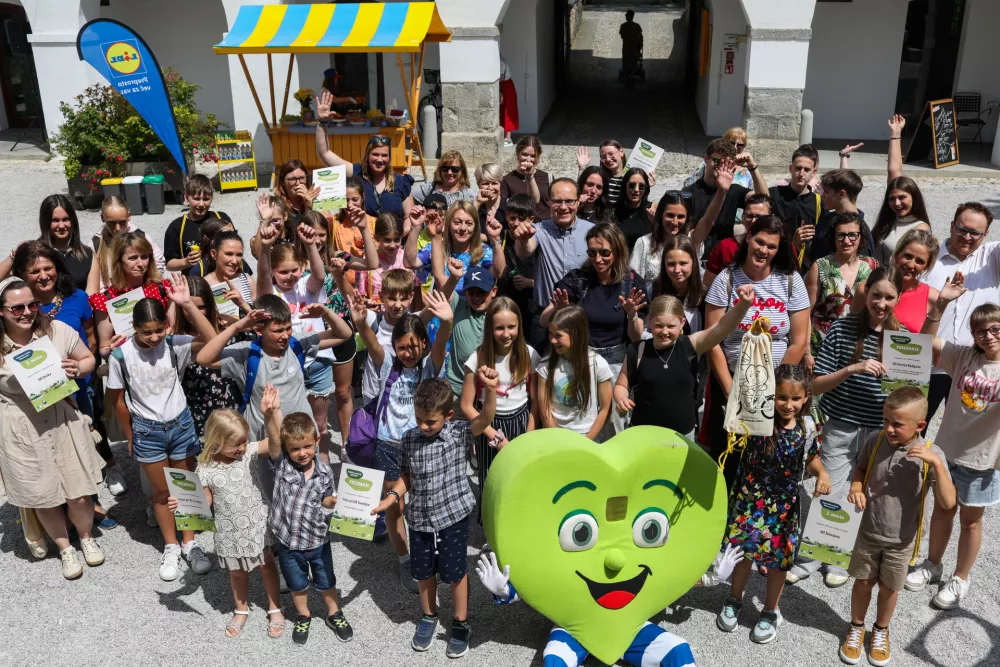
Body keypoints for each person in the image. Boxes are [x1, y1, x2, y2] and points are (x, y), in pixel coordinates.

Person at [790, 266, 906, 588]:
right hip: (841, 424)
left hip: (879, 431)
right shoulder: (842, 329)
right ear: (866, 293)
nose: (881, 303)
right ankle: (811, 556)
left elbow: (908, 396)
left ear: (898, 299)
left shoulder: (903, 339)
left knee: (862, 493)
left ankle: (838, 555)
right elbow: (816, 384)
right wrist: (853, 368)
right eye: (876, 295)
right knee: (829, 486)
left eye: (889, 297)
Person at [372, 373, 498, 657]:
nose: (424, 426)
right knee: (424, 572)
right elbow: (406, 475)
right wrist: (392, 496)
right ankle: (429, 615)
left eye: (430, 421)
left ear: (448, 415)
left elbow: (485, 418)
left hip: (452, 518)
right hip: (419, 519)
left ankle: (461, 622)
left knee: (455, 572)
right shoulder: (409, 438)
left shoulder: (458, 433)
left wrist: (489, 392)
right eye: (419, 419)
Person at [107, 278, 217, 580]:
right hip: (147, 430)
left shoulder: (174, 344)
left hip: (180, 424)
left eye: (160, 329)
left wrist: (186, 306)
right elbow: (117, 402)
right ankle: (171, 546)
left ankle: (190, 543)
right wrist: (130, 436)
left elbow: (211, 339)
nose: (155, 337)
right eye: (147, 331)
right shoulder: (121, 355)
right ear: (134, 327)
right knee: (160, 493)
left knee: (185, 485)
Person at [839, 387, 955, 667]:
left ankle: (881, 630)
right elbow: (861, 469)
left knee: (890, 588)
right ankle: (856, 626)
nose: (889, 429)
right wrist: (856, 486)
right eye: (886, 420)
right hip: (868, 531)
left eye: (898, 424)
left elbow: (949, 502)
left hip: (902, 539)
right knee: (863, 582)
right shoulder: (875, 440)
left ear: (920, 426)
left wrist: (937, 466)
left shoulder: (931, 454)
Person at [717, 365, 831, 644]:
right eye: (781, 397)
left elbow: (811, 458)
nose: (788, 405)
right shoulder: (757, 419)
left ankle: (770, 610)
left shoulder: (806, 427)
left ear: (806, 398)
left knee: (778, 563)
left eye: (795, 398)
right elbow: (740, 400)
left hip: (782, 507)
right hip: (749, 500)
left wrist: (823, 473)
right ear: (771, 395)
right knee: (742, 553)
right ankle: (734, 599)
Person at [349, 290, 452, 593]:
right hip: (388, 446)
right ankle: (405, 558)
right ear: (393, 346)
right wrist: (359, 322)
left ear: (423, 343)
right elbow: (368, 340)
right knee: (395, 508)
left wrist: (445, 322)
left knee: (425, 506)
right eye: (401, 347)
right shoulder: (385, 364)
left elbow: (442, 344)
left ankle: (429, 553)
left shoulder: (430, 367)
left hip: (422, 449)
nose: (408, 352)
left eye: (413, 346)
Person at [0, 277, 104, 580]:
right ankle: (64, 548)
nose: (27, 312)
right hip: (20, 425)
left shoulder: (57, 330)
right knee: (42, 493)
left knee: (80, 491)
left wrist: (77, 368)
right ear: (2, 311)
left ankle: (85, 537)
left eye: (32, 304)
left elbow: (88, 359)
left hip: (62, 417)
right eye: (16, 308)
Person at [9, 242, 127, 506]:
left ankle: (93, 502)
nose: (43, 275)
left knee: (86, 435)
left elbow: (91, 339)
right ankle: (59, 505)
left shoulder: (77, 298)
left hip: (79, 383)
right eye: (34, 270)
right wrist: (11, 257)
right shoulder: (19, 306)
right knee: (50, 447)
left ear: (57, 268)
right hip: (35, 396)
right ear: (22, 275)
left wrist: (83, 369)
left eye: (47, 268)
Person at [702, 216, 810, 486]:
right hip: (731, 381)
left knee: (768, 462)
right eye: (759, 241)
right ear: (748, 238)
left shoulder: (790, 281)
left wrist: (777, 387)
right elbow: (711, 339)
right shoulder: (725, 280)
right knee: (729, 459)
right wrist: (730, 389)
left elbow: (798, 340)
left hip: (775, 387)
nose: (764, 250)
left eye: (771, 246)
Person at [908, 294, 998, 611]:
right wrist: (940, 306)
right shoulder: (963, 357)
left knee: (971, 521)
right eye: (981, 331)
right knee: (943, 510)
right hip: (947, 452)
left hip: (983, 460)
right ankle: (933, 564)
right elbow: (925, 340)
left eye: (995, 329)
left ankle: (961, 577)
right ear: (973, 335)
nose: (988, 336)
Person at [167, 399, 285, 639]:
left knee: (266, 564)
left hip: (257, 523)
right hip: (229, 529)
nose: (241, 447)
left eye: (243, 440)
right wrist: (181, 503)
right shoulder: (206, 469)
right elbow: (205, 502)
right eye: (235, 444)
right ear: (216, 441)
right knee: (237, 572)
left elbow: (276, 442)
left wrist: (271, 416)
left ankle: (275, 608)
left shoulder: (250, 452)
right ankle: (241, 609)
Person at [540, 223, 646, 436]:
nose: (598, 259)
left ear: (617, 250)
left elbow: (637, 336)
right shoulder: (577, 279)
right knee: (584, 421)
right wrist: (558, 310)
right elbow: (544, 321)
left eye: (605, 252)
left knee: (615, 425)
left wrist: (632, 314)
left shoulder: (631, 282)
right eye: (592, 252)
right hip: (582, 359)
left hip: (616, 362)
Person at [613, 288, 753, 436]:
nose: (664, 331)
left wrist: (743, 305)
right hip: (643, 434)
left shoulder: (691, 345)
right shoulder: (637, 350)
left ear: (682, 323)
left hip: (682, 435)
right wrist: (621, 397)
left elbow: (721, 328)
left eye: (671, 326)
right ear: (649, 322)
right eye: (659, 325)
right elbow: (622, 384)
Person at [269, 410, 353, 645]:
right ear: (286, 448)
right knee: (297, 584)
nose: (302, 453)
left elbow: (325, 499)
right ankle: (303, 614)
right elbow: (275, 436)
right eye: (295, 448)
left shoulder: (325, 472)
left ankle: (334, 612)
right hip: (289, 541)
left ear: (316, 441)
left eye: (307, 446)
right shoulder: (282, 465)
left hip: (317, 540)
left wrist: (333, 502)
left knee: (326, 580)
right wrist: (271, 412)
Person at [921, 202, 998, 433]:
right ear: (952, 225)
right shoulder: (927, 257)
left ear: (986, 235)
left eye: (975, 233)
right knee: (913, 430)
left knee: (968, 434)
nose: (967, 236)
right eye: (962, 229)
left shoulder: (993, 257)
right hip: (928, 364)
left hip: (976, 367)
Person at [460, 297, 538, 512]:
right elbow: (467, 405)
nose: (506, 334)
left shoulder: (530, 355)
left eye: (511, 327)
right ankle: (490, 535)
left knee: (521, 478)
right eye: (499, 328)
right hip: (490, 426)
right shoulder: (477, 358)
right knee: (491, 479)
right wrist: (494, 436)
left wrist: (529, 434)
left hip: (522, 422)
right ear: (489, 328)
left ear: (519, 326)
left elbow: (535, 402)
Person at [513, 178, 593, 350]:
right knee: (540, 372)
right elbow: (524, 251)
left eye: (569, 201)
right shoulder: (539, 230)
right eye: (557, 201)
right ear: (548, 202)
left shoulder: (592, 232)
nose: (563, 207)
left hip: (581, 318)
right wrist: (523, 239)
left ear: (578, 202)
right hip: (545, 318)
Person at [316, 92, 415, 220]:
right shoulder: (356, 173)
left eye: (384, 155)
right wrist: (322, 122)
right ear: (367, 156)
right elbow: (324, 153)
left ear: (389, 158)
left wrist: (399, 235)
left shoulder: (401, 182)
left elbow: (409, 218)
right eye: (375, 154)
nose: (380, 159)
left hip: (393, 239)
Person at [804, 212, 879, 369]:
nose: (846, 241)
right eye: (841, 235)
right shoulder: (820, 267)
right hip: (822, 350)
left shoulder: (873, 267)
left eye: (852, 235)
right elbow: (805, 312)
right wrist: (806, 352)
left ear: (861, 237)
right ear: (834, 237)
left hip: (859, 348)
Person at [174, 276, 245, 439]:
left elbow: (261, 328)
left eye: (201, 307)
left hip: (230, 408)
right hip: (197, 413)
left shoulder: (228, 324)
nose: (195, 313)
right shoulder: (177, 336)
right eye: (189, 307)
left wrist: (242, 305)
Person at [89, 231, 175, 357]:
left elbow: (174, 329)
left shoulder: (164, 288)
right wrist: (112, 350)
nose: (140, 264)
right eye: (133, 258)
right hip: (130, 365)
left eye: (144, 257)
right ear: (119, 261)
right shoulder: (106, 300)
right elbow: (103, 348)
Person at [535, 305, 613, 440]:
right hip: (556, 436)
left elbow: (606, 409)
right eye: (550, 334)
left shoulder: (598, 364)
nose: (552, 340)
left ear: (576, 334)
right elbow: (544, 409)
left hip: (588, 436)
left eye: (558, 335)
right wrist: (557, 438)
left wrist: (587, 441)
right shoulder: (545, 365)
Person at [682, 137, 768, 260]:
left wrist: (752, 167)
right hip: (696, 257)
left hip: (725, 258)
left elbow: (764, 200)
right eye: (717, 161)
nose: (721, 167)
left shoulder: (734, 190)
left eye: (727, 163)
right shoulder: (689, 192)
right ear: (706, 159)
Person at [408, 200, 504, 296]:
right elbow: (410, 263)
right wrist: (415, 227)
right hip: (445, 305)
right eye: (457, 222)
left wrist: (495, 239)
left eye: (469, 223)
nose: (463, 228)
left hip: (475, 305)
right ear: (448, 224)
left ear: (475, 226)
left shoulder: (484, 251)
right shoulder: (436, 248)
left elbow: (499, 273)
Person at [88, 195, 166, 293]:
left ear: (129, 216)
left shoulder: (141, 237)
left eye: (122, 222)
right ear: (102, 218)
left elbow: (158, 262)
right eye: (111, 223)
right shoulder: (96, 244)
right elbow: (95, 280)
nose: (117, 228)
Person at [442, 263, 497, 401]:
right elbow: (444, 295)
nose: (476, 297)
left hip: (489, 389)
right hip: (457, 389)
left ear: (494, 291)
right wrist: (454, 278)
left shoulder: (499, 314)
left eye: (482, 292)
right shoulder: (459, 307)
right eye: (471, 292)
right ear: (465, 293)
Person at [805, 169, 875, 270]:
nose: (822, 195)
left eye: (826, 191)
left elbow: (861, 273)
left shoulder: (862, 232)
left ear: (842, 194)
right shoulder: (826, 219)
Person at [163, 174, 232, 272]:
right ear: (186, 198)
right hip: (194, 283)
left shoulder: (222, 218)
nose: (201, 204)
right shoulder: (176, 227)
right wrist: (186, 262)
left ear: (211, 198)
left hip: (222, 278)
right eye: (196, 199)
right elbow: (169, 264)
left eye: (206, 199)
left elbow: (236, 247)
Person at [631, 190, 703, 283]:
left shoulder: (691, 241)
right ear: (661, 215)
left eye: (680, 217)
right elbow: (634, 280)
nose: (675, 222)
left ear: (687, 218)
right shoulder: (644, 242)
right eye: (670, 215)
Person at [702, 193, 772, 290]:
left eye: (759, 217)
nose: (753, 221)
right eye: (749, 216)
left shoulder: (782, 247)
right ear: (743, 217)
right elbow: (708, 284)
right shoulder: (725, 247)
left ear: (771, 218)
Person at [327, 177, 378, 287]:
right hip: (343, 288)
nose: (350, 205)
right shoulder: (335, 222)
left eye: (355, 199)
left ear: (363, 198)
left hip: (371, 289)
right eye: (345, 200)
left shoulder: (374, 223)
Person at [768, 144, 821, 243]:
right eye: (798, 168)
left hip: (804, 257)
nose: (801, 174)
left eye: (806, 169)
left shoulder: (819, 202)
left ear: (814, 172)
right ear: (790, 168)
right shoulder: (775, 194)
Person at [39, 194, 93, 290]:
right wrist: (13, 256)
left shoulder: (87, 254)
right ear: (45, 223)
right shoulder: (36, 252)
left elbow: (92, 296)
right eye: (55, 220)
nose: (61, 225)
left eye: (65, 219)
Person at [891, 229, 940, 334]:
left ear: (926, 267)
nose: (910, 265)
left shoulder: (933, 297)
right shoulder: (871, 288)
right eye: (908, 256)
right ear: (897, 254)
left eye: (919, 261)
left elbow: (929, 342)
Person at [356, 213, 407, 305]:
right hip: (376, 316)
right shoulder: (367, 261)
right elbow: (360, 297)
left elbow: (416, 297)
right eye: (387, 240)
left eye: (396, 240)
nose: (392, 245)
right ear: (377, 238)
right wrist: (368, 304)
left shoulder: (407, 260)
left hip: (403, 316)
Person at [202, 230, 255, 318]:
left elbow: (260, 320)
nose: (235, 261)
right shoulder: (204, 285)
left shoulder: (248, 281)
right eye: (229, 254)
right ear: (214, 254)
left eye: (239, 255)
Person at [683, 127, 754, 190]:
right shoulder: (708, 164)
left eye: (740, 145)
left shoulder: (747, 172)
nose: (735, 148)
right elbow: (692, 184)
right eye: (731, 143)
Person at [501, 136, 550, 222]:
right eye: (524, 154)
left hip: (545, 225)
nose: (528, 159)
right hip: (520, 226)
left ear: (538, 157)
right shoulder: (507, 180)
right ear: (518, 154)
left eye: (533, 156)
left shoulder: (547, 177)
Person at [613, 167, 653, 252]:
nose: (636, 190)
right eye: (632, 185)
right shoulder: (614, 211)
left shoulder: (651, 210)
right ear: (625, 186)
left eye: (641, 186)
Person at [576, 140, 627, 206]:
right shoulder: (601, 178)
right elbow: (580, 189)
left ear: (621, 152)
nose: (608, 159)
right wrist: (582, 168)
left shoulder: (631, 178)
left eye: (611, 154)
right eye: (603, 157)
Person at [499, 56, 518, 147]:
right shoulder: (501, 60)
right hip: (504, 87)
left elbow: (501, 77)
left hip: (506, 88)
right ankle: (504, 137)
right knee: (503, 112)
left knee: (507, 112)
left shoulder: (500, 62)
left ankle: (508, 138)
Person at [619, 10, 643, 76]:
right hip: (634, 49)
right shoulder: (637, 26)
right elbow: (640, 37)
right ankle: (633, 74)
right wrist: (640, 45)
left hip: (626, 48)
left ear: (627, 16)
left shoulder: (623, 26)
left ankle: (626, 74)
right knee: (634, 63)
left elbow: (622, 36)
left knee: (625, 63)